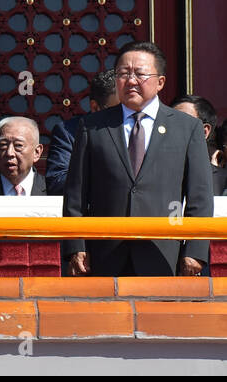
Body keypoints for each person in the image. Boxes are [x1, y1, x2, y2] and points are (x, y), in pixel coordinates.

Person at [63, 41, 214, 277]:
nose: (131, 81)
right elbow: (76, 195)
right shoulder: (93, 127)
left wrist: (195, 250)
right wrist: (76, 246)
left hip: (164, 251)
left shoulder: (186, 127)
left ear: (160, 82)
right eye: (123, 74)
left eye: (140, 74)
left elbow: (199, 196)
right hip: (105, 253)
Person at [45, 69, 118, 195]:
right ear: (95, 107)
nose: (125, 117)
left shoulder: (140, 130)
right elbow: (57, 183)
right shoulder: (69, 132)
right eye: (117, 111)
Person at [0, 117, 47, 196]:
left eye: (18, 145)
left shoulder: (53, 190)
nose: (9, 153)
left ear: (37, 152)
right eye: (3, 145)